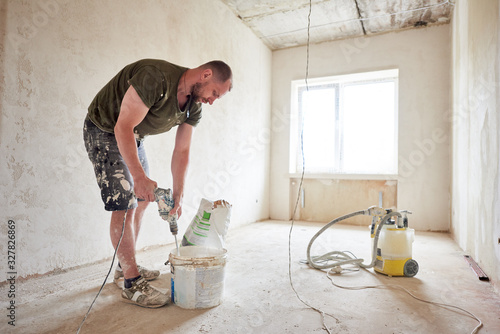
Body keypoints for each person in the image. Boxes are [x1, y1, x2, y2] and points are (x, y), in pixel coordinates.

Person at [83, 59, 232, 308]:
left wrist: (179, 194)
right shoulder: (155, 78)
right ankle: (131, 283)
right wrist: (139, 177)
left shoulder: (193, 107)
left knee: (141, 200)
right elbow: (123, 126)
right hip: (106, 130)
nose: (212, 100)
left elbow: (182, 151)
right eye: (214, 93)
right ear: (206, 75)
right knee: (124, 204)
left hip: (134, 136)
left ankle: (123, 266)